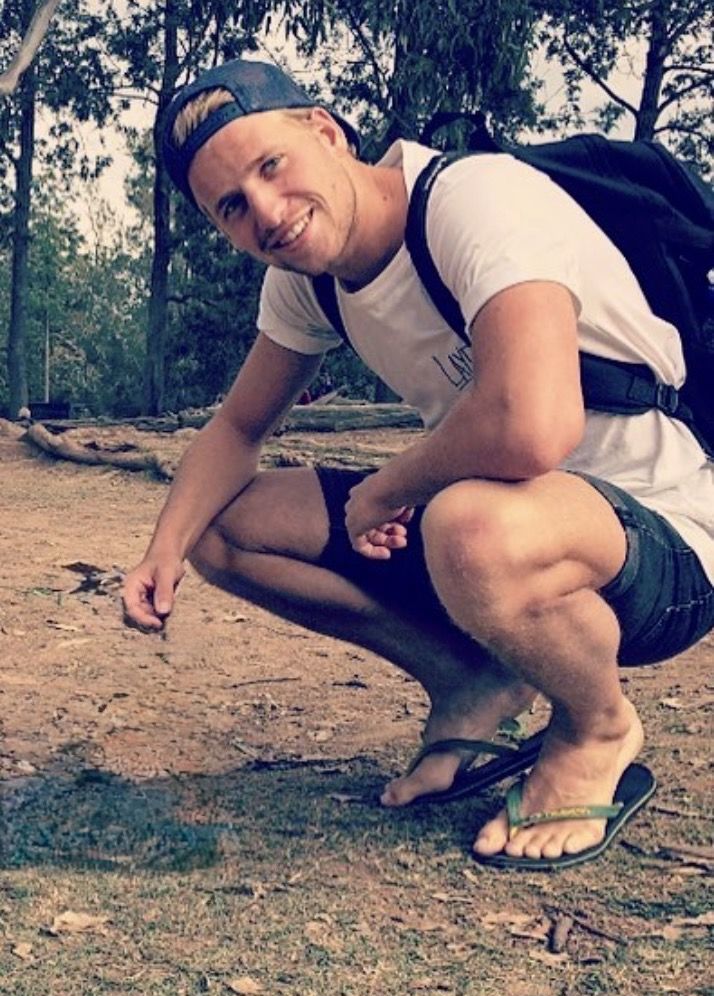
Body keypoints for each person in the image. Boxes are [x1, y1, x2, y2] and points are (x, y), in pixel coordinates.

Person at [122, 58, 714, 871]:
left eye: (272, 166)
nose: (267, 212)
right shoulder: (309, 283)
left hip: (667, 540)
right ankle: (470, 679)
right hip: (497, 539)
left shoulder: (474, 198)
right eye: (232, 206)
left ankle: (595, 727)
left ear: (325, 131)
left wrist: (385, 490)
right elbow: (237, 427)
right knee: (222, 528)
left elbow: (532, 424)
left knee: (468, 525)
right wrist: (163, 549)